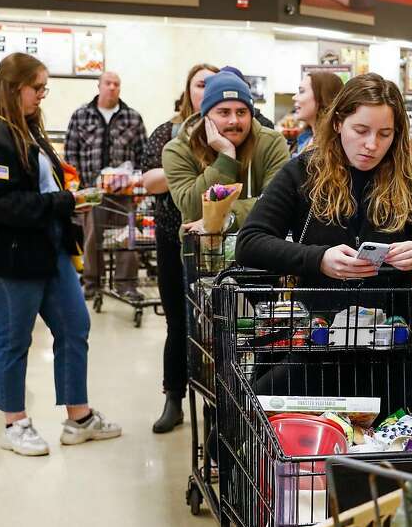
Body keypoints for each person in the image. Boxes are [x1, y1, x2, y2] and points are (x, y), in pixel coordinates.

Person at [236, 73, 412, 417]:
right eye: (361, 131)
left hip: (393, 352)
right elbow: (250, 243)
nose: (371, 144)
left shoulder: (410, 181)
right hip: (318, 345)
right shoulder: (303, 174)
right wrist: (319, 260)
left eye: (384, 134)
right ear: (339, 122)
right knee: (258, 420)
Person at [0, 52, 122, 456]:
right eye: (38, 88)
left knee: (74, 325)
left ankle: (78, 417)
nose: (42, 96)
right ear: (15, 88)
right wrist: (63, 203)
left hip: (47, 250)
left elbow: (40, 187)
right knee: (14, 339)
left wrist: (66, 199)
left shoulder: (24, 130)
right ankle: (15, 423)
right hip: (10, 258)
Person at [141, 63, 217, 433]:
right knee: (177, 321)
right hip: (175, 241)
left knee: (222, 325)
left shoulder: (236, 130)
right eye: (200, 84)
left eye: (213, 84)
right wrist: (184, 168)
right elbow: (149, 181)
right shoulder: (167, 132)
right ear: (188, 90)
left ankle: (221, 404)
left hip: (222, 245)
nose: (206, 90)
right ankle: (174, 396)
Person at [162, 70, 289, 234]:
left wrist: (226, 218)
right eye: (224, 112)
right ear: (206, 116)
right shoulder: (179, 150)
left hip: (262, 251)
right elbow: (193, 210)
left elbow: (276, 205)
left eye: (242, 112)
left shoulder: (271, 142)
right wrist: (226, 157)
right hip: (205, 253)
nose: (234, 120)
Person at [65, 70, 148, 301]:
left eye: (117, 84)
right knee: (92, 237)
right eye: (108, 83)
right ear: (99, 86)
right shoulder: (81, 115)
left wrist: (139, 183)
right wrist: (78, 186)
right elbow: (71, 154)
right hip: (92, 192)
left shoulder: (133, 117)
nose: (112, 87)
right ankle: (92, 283)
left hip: (125, 192)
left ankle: (126, 285)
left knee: (127, 237)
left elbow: (144, 155)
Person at [293, 70, 343, 156]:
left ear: (322, 96)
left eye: (301, 91)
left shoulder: (334, 146)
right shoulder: (305, 138)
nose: (294, 97)